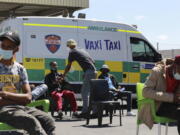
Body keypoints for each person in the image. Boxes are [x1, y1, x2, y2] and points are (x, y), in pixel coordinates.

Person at [0, 31, 55, 135]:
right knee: (30, 122)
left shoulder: (20, 69)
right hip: (3, 110)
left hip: (22, 108)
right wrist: (19, 99)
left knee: (49, 121)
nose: (5, 49)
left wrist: (5, 95)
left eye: (9, 47)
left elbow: (28, 97)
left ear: (16, 49)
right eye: (3, 46)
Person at [139, 56, 180, 134]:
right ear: (174, 65)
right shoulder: (157, 72)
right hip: (158, 105)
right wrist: (171, 97)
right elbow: (145, 91)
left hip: (173, 104)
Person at [63, 39, 97, 117]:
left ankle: (85, 112)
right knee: (91, 92)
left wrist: (64, 75)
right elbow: (93, 62)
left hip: (89, 72)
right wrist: (86, 72)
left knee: (84, 92)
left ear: (68, 46)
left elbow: (68, 66)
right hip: (94, 71)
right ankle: (95, 111)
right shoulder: (82, 50)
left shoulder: (72, 52)